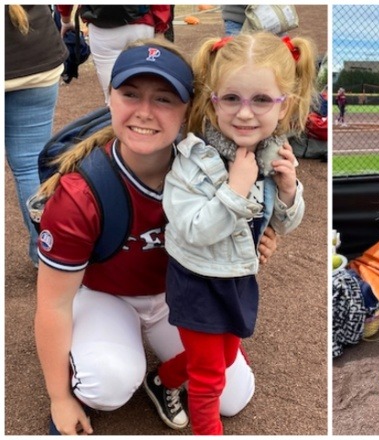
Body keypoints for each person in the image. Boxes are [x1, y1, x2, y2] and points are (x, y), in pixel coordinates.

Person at [33, 39, 278, 435]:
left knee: (234, 396)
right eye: (130, 94)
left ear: (190, 109)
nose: (144, 112)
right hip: (106, 297)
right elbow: (52, 304)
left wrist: (259, 239)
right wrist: (59, 397)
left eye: (164, 99)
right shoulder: (83, 193)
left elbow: (240, 233)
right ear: (110, 97)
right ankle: (93, 359)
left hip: (178, 295)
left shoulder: (213, 168)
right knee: (107, 383)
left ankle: (161, 377)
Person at [159, 31, 317, 435]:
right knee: (211, 379)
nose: (245, 113)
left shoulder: (272, 154)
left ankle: (163, 378)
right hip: (196, 282)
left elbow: (281, 223)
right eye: (231, 98)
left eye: (261, 100)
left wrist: (288, 191)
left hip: (236, 280)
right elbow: (193, 230)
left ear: (286, 107)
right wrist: (235, 189)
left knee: (226, 356)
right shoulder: (193, 162)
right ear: (212, 104)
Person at [5, 5, 69, 267]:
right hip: (36, 56)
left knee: (31, 166)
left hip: (30, 56)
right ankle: (46, 253)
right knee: (31, 166)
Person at [56, 5, 171, 103]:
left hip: (101, 26)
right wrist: (160, 26)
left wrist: (65, 20)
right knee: (143, 92)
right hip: (140, 23)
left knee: (112, 98)